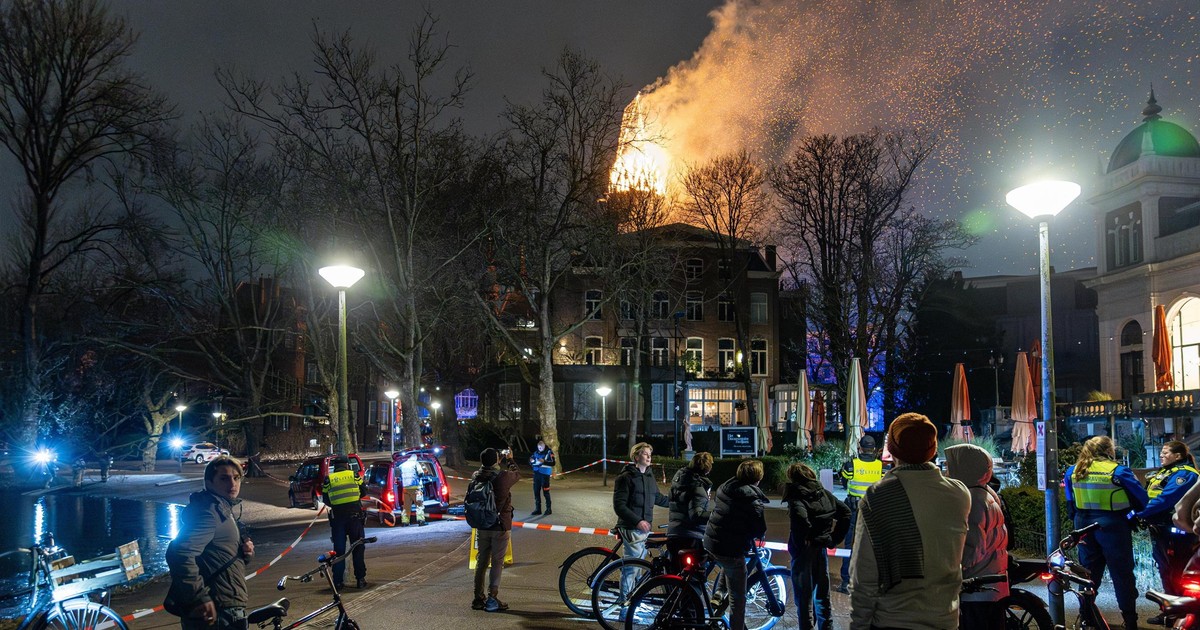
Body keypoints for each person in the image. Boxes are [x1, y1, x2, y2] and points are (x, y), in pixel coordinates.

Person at [849, 413, 970, 630]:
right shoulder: (960, 494)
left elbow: (864, 575)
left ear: (893, 449)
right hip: (945, 620)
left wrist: (858, 624)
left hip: (893, 620)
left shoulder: (879, 496)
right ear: (932, 448)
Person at [1064, 435, 1148, 630]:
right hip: (1113, 527)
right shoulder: (1118, 471)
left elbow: (1070, 505)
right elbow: (1143, 500)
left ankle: (1086, 618)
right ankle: (1130, 621)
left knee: (1087, 574)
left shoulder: (1072, 471)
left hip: (1083, 527)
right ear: (1109, 450)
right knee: (1122, 575)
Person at [166, 456, 255, 630]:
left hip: (226, 604)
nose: (232, 484)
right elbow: (179, 552)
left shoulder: (223, 510)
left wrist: (247, 553)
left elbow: (221, 555)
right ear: (209, 482)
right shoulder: (209, 513)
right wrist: (199, 598)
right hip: (219, 611)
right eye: (224, 478)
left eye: (236, 478)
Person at [945, 443, 1009, 630]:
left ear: (964, 468)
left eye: (951, 466)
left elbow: (972, 548)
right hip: (992, 585)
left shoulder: (972, 500)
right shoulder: (986, 492)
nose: (947, 471)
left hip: (978, 589)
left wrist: (952, 571)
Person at [783, 461, 851, 630]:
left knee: (804, 599)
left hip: (804, 552)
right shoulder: (824, 494)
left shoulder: (797, 495)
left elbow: (801, 520)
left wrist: (801, 542)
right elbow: (846, 513)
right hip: (820, 549)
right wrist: (832, 539)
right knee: (822, 596)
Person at [704, 459, 769, 630]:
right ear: (758, 478)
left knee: (729, 564)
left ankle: (718, 593)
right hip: (729, 548)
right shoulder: (752, 499)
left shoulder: (727, 487)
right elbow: (758, 528)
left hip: (712, 541)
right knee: (738, 599)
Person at [1137, 440, 1200, 607]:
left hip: (1176, 531)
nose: (1161, 455)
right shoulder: (1165, 472)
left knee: (1177, 571)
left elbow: (1166, 499)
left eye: (1165, 453)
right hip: (1160, 528)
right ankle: (1168, 610)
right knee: (1165, 569)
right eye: (1161, 453)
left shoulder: (1185, 474)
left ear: (1177, 456)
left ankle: (1184, 611)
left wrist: (1138, 513)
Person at [612, 442, 670, 595]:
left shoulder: (649, 477)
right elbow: (619, 506)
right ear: (636, 457)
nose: (649, 456)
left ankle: (633, 599)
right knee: (631, 569)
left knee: (638, 569)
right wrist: (638, 521)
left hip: (643, 530)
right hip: (632, 528)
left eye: (650, 453)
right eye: (645, 453)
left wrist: (677, 502)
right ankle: (624, 606)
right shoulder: (625, 478)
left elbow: (658, 498)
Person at [472, 447, 520, 612]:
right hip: (500, 525)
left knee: (481, 561)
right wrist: (511, 459)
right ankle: (492, 599)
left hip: (482, 525)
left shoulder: (476, 476)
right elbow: (517, 474)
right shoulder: (503, 477)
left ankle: (478, 599)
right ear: (497, 460)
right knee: (497, 562)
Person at [838, 434, 882, 592]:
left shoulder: (851, 465)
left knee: (849, 545)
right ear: (874, 449)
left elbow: (844, 482)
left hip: (853, 508)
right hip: (872, 509)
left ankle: (846, 581)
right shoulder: (880, 466)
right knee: (873, 545)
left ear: (860, 448)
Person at [322, 456, 368, 589]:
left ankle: (337, 582)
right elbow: (364, 491)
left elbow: (326, 500)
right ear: (347, 465)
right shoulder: (353, 475)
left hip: (338, 520)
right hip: (355, 518)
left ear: (335, 467)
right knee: (358, 547)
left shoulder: (328, 479)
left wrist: (338, 504)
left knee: (339, 551)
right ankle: (360, 579)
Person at [666, 451, 713, 565]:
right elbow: (696, 515)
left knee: (676, 577)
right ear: (707, 468)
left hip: (674, 533)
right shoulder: (696, 486)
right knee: (693, 579)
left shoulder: (680, 481)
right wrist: (716, 515)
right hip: (690, 536)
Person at [398, 453, 427, 526]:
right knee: (419, 504)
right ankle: (421, 521)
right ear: (415, 458)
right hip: (416, 488)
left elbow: (399, 475)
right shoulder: (415, 463)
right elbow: (421, 473)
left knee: (406, 506)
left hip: (405, 488)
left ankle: (405, 522)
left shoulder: (403, 465)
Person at [529, 438, 555, 516]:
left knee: (546, 492)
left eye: (541, 447)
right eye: (539, 447)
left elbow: (553, 463)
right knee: (536, 492)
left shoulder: (549, 452)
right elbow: (531, 461)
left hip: (545, 475)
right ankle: (538, 509)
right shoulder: (536, 453)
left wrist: (544, 461)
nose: (540, 449)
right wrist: (531, 461)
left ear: (544, 446)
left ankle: (548, 509)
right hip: (536, 474)